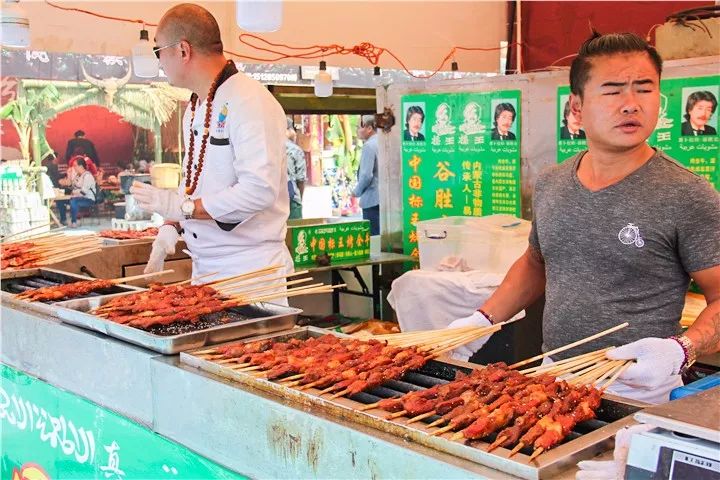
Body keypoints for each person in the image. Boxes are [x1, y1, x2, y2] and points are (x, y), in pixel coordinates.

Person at [446, 31, 720, 404]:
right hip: (553, 377)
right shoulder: (552, 183)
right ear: (576, 107)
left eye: (644, 88)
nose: (630, 104)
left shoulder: (687, 194)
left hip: (637, 389)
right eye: (612, 90)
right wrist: (482, 320)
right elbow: (536, 262)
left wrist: (682, 348)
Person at [129, 3, 293, 299]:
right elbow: (194, 179)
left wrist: (184, 209)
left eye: (158, 52)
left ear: (182, 50)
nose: (159, 63)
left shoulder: (250, 101)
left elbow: (259, 190)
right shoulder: (195, 107)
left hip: (250, 271)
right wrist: (171, 225)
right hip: (205, 267)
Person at [354, 115, 380, 235]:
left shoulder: (369, 146)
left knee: (374, 238)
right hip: (383, 199)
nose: (357, 131)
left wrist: (356, 191)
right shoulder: (382, 142)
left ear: (369, 128)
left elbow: (366, 175)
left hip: (372, 199)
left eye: (359, 127)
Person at [55, 157, 96, 228]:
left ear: (81, 166)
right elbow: (72, 187)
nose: (74, 168)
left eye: (75, 166)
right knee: (60, 201)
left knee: (73, 201)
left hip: (88, 199)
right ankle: (63, 220)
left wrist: (74, 193)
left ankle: (74, 221)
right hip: (78, 197)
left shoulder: (88, 176)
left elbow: (83, 192)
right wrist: (69, 182)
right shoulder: (78, 176)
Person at [286, 118, 306, 220]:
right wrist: (299, 200)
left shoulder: (267, 147)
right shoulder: (295, 150)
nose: (295, 133)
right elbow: (301, 180)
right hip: (292, 200)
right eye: (293, 129)